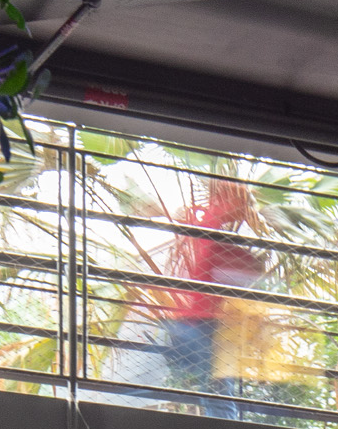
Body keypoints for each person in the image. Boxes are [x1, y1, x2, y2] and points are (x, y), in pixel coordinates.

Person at [108, 174, 261, 416]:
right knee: (219, 391)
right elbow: (228, 264)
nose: (245, 210)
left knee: (206, 382)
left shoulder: (204, 222)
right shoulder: (212, 224)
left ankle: (120, 403)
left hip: (191, 321)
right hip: (207, 325)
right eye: (242, 203)